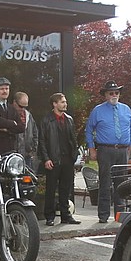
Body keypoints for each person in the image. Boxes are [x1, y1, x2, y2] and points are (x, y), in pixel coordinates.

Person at [85, 80, 131, 223]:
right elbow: (89, 130)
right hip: (105, 149)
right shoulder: (98, 110)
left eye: (116, 93)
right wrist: (91, 149)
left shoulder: (126, 109)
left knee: (121, 184)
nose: (114, 95)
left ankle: (120, 214)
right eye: (111, 93)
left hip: (122, 150)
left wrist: (130, 146)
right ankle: (103, 215)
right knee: (105, 183)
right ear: (105, 95)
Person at [38, 92, 81, 227]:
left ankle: (66, 215)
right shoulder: (46, 120)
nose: (65, 104)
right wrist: (46, 159)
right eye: (62, 102)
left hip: (68, 159)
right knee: (51, 189)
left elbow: (73, 139)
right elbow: (42, 141)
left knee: (65, 189)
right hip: (53, 159)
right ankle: (49, 216)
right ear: (55, 104)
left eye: (65, 101)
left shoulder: (69, 119)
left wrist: (74, 155)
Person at [0, 77, 26, 154]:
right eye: (2, 89)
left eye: (7, 89)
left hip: (10, 150)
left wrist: (7, 130)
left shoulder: (11, 108)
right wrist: (13, 123)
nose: (5, 91)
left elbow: (22, 127)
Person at [14, 91, 39, 171]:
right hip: (13, 155)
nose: (23, 109)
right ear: (14, 102)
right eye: (21, 106)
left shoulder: (28, 116)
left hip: (27, 154)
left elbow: (35, 133)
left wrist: (33, 149)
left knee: (28, 179)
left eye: (25, 106)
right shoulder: (8, 114)